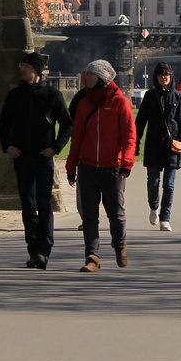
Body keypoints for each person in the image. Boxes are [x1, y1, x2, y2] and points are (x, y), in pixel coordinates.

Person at [0, 51, 72, 270]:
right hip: (21, 157)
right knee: (28, 206)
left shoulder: (52, 94)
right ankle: (33, 249)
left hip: (43, 158)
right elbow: (3, 124)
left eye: (26, 66)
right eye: (21, 65)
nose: (22, 69)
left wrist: (55, 147)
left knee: (43, 204)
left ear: (37, 71)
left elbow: (67, 124)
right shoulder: (14, 96)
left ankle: (44, 250)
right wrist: (8, 146)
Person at [65, 59, 136, 272]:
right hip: (87, 166)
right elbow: (76, 137)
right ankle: (92, 256)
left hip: (112, 167)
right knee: (89, 214)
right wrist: (71, 167)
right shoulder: (84, 102)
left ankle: (119, 244)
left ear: (102, 78)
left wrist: (126, 164)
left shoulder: (119, 102)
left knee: (115, 212)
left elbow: (130, 136)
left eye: (90, 75)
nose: (85, 78)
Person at [135, 62, 181, 231]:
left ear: (171, 76)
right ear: (156, 77)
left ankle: (165, 218)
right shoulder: (149, 97)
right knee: (153, 183)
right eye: (160, 75)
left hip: (172, 146)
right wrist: (136, 143)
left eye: (166, 74)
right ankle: (154, 206)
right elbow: (140, 123)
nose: (163, 77)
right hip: (153, 144)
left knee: (169, 184)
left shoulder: (178, 97)